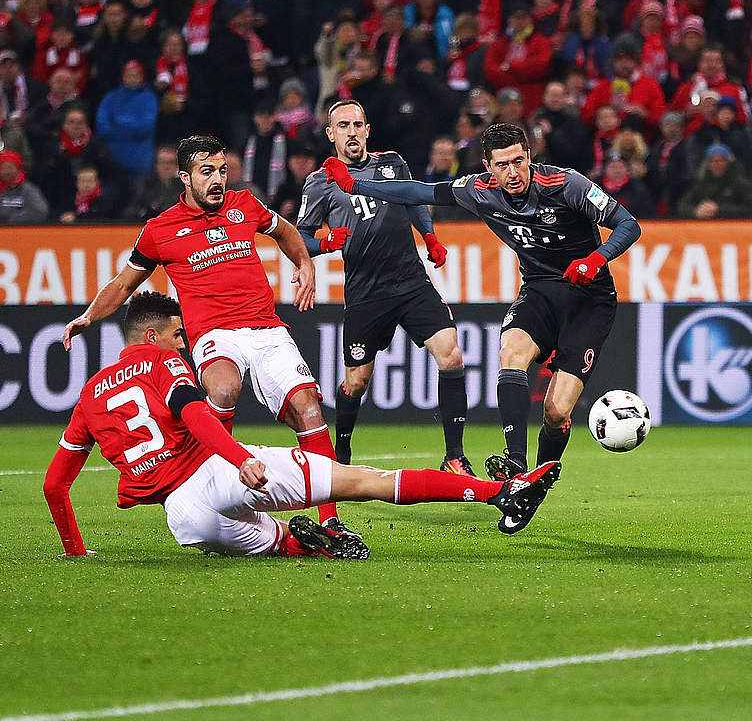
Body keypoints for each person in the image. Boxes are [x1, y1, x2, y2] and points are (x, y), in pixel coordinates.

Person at [44, 292, 561, 559]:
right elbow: (196, 414)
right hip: (216, 473)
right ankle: (501, 493)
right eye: (178, 336)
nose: (183, 343)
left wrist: (76, 550)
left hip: (183, 520)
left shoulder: (90, 393)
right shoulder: (161, 364)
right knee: (365, 482)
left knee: (277, 542)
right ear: (153, 335)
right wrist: (241, 458)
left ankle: (305, 544)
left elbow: (54, 485)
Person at [60, 135, 354, 537]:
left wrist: (305, 262)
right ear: (185, 178)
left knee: (309, 410)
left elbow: (285, 231)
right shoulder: (159, 230)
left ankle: (331, 521)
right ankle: (216, 487)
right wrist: (88, 316)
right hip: (214, 333)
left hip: (266, 328)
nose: (218, 179)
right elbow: (125, 283)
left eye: (222, 170)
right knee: (223, 388)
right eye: (207, 172)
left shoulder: (244, 205)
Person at [319, 123, 641, 481]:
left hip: (589, 298)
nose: (513, 172)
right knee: (511, 354)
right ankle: (516, 463)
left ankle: (540, 480)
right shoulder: (479, 190)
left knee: (555, 411)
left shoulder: (567, 184)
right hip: (539, 290)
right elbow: (417, 191)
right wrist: (354, 185)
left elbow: (628, 225)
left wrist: (596, 259)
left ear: (529, 157)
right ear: (488, 166)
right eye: (502, 165)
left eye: (519, 161)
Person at [296, 100, 467, 473]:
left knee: (451, 356)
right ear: (331, 134)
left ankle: (455, 455)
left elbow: (413, 202)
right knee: (356, 382)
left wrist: (430, 236)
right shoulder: (319, 183)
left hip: (410, 281)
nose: (352, 131)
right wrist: (325, 244)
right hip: (365, 292)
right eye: (343, 125)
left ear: (368, 130)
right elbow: (299, 238)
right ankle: (341, 451)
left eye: (358, 124)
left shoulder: (392, 163)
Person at [677, 144, 752, 220]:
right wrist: (695, 212)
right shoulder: (702, 182)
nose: (716, 164)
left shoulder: (739, 182)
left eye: (720, 160)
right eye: (712, 161)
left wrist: (719, 210)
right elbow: (683, 204)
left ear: (728, 162)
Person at [0, 149, 48, 224]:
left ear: (18, 169)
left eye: (10, 168)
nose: (6, 172)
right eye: (3, 168)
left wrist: (11, 220)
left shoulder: (29, 190)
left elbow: (39, 212)